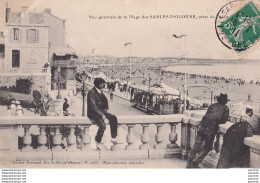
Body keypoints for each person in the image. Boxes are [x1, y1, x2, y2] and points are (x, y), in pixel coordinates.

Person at [186, 93, 230, 168]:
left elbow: (207, 115)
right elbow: (223, 121)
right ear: (225, 101)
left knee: (196, 145)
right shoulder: (226, 108)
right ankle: (194, 162)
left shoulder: (212, 105)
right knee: (208, 147)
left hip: (202, 126)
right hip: (210, 130)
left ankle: (189, 162)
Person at [87, 77, 119, 150]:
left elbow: (105, 101)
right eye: (102, 84)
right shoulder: (91, 93)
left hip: (102, 111)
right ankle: (97, 141)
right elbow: (93, 106)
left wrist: (105, 109)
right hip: (93, 113)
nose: (104, 85)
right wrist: (102, 115)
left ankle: (113, 138)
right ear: (99, 84)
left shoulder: (100, 91)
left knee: (114, 118)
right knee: (102, 125)